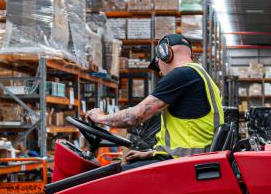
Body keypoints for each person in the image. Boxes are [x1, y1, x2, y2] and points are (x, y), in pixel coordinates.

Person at [85, 33, 224, 159]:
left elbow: (135, 117)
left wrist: (101, 118)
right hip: (195, 160)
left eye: (158, 66)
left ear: (164, 54)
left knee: (114, 181)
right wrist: (150, 153)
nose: (160, 73)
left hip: (182, 165)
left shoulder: (181, 75)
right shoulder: (202, 76)